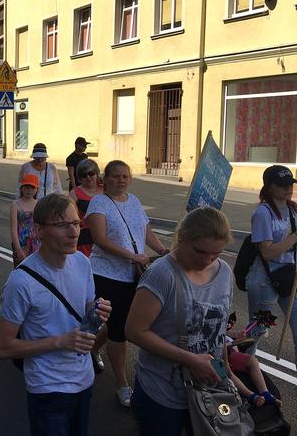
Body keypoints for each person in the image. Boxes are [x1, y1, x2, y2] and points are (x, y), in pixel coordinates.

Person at [0, 194, 112, 436]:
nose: (73, 232)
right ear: (39, 230)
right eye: (62, 225)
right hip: (48, 388)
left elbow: (87, 317)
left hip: (84, 380)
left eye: (76, 224)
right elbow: (4, 347)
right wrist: (60, 341)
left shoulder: (82, 262)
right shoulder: (21, 281)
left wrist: (98, 313)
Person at [125, 207, 234, 436]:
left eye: (215, 254)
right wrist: (190, 359)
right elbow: (134, 331)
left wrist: (226, 371)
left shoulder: (224, 272)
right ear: (181, 237)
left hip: (209, 388)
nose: (207, 260)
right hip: (163, 393)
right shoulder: (162, 274)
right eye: (199, 251)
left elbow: (218, 328)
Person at [85, 160, 168, 407]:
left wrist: (162, 249)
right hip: (107, 274)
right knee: (119, 326)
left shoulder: (133, 201)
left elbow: (144, 231)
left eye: (125, 176)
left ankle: (92, 348)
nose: (121, 180)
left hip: (134, 274)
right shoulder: (98, 202)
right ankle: (122, 383)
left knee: (118, 323)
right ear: (105, 179)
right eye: (116, 176)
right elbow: (99, 239)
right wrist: (134, 256)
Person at [246, 165, 297, 359]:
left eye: (290, 184)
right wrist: (294, 238)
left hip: (289, 276)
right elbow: (267, 252)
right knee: (257, 328)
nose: (288, 189)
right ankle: (242, 367)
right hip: (265, 280)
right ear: (269, 187)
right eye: (282, 185)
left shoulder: (293, 209)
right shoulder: (263, 213)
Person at [69, 159, 102, 257]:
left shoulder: (106, 189)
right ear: (80, 178)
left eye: (91, 173)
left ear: (96, 173)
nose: (88, 177)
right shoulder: (74, 193)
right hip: (85, 237)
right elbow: (71, 217)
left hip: (106, 235)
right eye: (84, 175)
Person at [10, 174, 40, 267]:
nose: (29, 190)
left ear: (37, 189)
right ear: (21, 188)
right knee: (21, 268)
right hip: (21, 242)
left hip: (36, 242)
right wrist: (18, 249)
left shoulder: (39, 204)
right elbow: (13, 229)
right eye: (26, 187)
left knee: (36, 269)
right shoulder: (15, 204)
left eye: (32, 188)